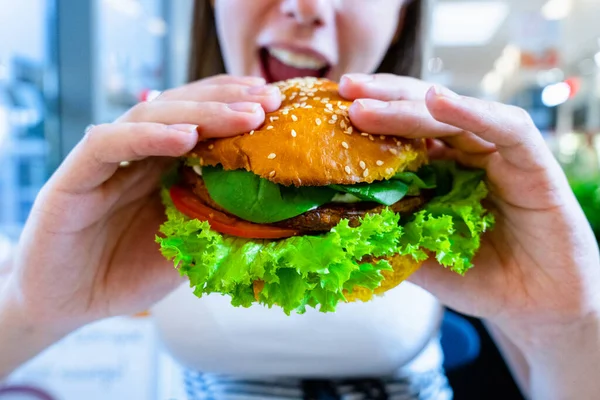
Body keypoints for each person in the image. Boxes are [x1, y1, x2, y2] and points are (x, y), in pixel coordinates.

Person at [1, 0, 599, 399]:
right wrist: (34, 310)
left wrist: (567, 326)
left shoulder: (464, 171)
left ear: (403, 16)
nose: (304, 6)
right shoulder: (127, 174)